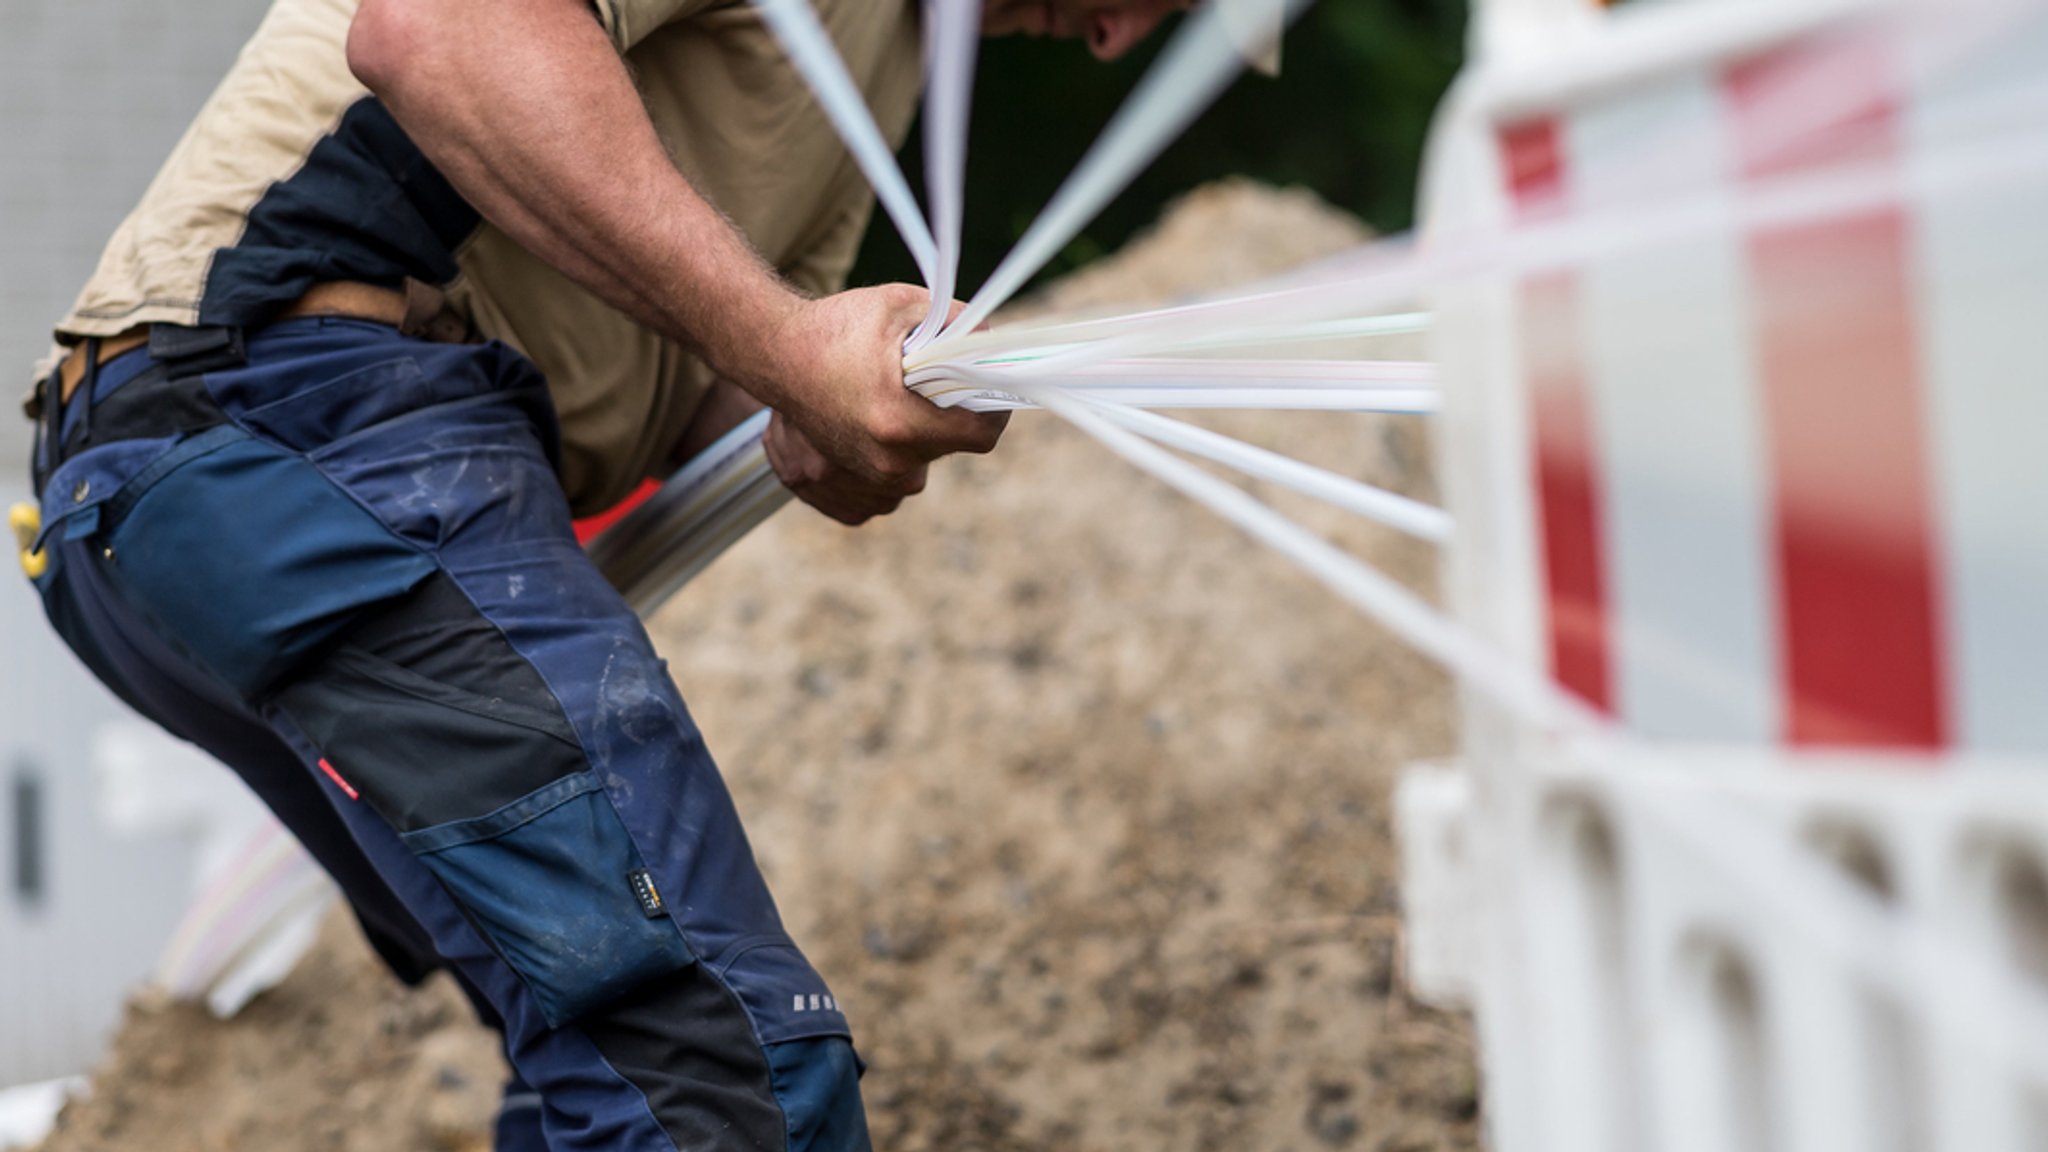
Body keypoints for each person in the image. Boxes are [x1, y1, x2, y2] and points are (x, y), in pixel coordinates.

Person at [15, 0, 1190, 1148]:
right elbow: (440, 29)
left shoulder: (882, 53)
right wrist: (788, 351)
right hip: (297, 426)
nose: (1117, 37)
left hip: (177, 488)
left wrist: (822, 397)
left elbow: (702, 358)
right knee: (725, 1085)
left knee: (614, 1070)